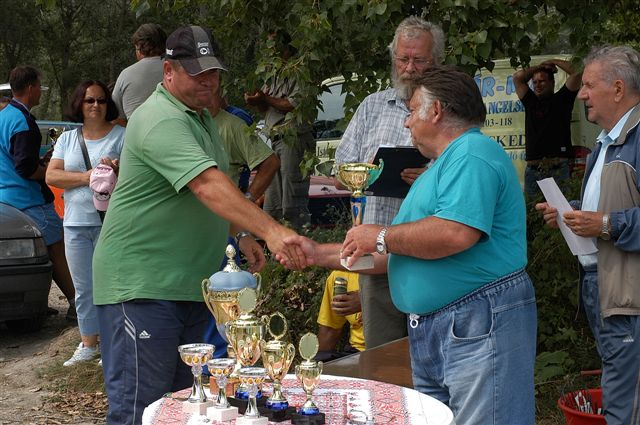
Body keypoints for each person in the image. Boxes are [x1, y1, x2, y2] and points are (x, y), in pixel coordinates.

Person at [279, 66, 537, 425]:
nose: (406, 121)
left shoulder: (472, 153)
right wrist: (316, 254)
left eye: (413, 110)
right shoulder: (442, 167)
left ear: (437, 111)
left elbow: (455, 234)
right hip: (444, 327)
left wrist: (381, 235)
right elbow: (395, 254)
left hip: (475, 319)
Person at [92, 25, 304, 424]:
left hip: (186, 288)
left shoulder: (201, 118)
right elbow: (206, 185)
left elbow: (211, 192)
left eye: (213, 72)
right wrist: (273, 232)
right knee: (141, 410)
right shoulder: (160, 118)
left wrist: (240, 233)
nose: (208, 80)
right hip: (141, 288)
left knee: (184, 410)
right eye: (196, 72)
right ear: (168, 71)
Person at [536, 45, 640, 425]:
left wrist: (606, 224)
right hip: (603, 286)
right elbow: (611, 202)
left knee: (624, 403)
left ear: (618, 88)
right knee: (620, 392)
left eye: (589, 85)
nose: (581, 94)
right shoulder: (606, 140)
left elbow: (611, 217)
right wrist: (572, 213)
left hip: (629, 296)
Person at [333, 16, 444, 349]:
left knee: (433, 350)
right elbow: (339, 172)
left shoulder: (449, 109)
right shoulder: (373, 106)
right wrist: (365, 174)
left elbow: (465, 173)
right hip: (375, 252)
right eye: (402, 59)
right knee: (381, 353)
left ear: (436, 61)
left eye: (418, 60)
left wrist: (431, 178)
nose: (409, 68)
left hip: (431, 254)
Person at [45, 80, 124, 366]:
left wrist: (116, 172)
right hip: (75, 223)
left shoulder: (121, 136)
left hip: (110, 223)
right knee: (83, 288)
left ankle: (114, 344)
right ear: (79, 103)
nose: (95, 105)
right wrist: (87, 176)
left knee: (112, 285)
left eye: (101, 100)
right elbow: (52, 176)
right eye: (90, 100)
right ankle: (89, 344)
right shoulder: (67, 139)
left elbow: (134, 177)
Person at [203, 86, 280, 358]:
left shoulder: (233, 125)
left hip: (224, 229)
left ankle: (220, 365)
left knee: (222, 309)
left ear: (220, 90)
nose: (204, 91)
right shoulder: (183, 125)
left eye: (209, 84)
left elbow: (270, 162)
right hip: (188, 232)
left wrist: (246, 201)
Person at [0, 65, 76, 320]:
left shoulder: (4, 115)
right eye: (39, 87)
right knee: (56, 249)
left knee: (34, 255)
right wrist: (49, 171)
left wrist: (41, 162)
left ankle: (36, 303)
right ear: (31, 88)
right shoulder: (22, 121)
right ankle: (77, 305)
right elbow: (25, 167)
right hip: (29, 199)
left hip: (7, 199)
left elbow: (15, 159)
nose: (41, 92)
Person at [244, 31, 315, 230]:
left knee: (292, 200)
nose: (268, 51)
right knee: (272, 203)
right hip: (274, 139)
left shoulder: (299, 71)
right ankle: (274, 243)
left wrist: (265, 98)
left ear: (285, 48)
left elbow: (294, 104)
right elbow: (265, 107)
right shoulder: (272, 73)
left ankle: (300, 240)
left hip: (293, 139)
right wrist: (256, 100)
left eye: (272, 45)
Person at [513, 58, 582, 196]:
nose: (537, 85)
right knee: (532, 209)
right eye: (534, 82)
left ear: (552, 82)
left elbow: (577, 72)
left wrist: (553, 61)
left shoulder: (563, 99)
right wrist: (540, 66)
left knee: (561, 209)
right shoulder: (530, 101)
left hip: (559, 170)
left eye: (542, 81)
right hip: (533, 171)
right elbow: (517, 78)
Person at [111, 23, 166, 123]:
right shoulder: (178, 69)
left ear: (139, 49)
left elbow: (116, 118)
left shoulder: (126, 75)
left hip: (137, 130)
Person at [315, 270, 364, 361]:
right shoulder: (340, 276)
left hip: (388, 349)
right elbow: (330, 330)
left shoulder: (390, 269)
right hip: (358, 353)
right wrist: (318, 363)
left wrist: (365, 300)